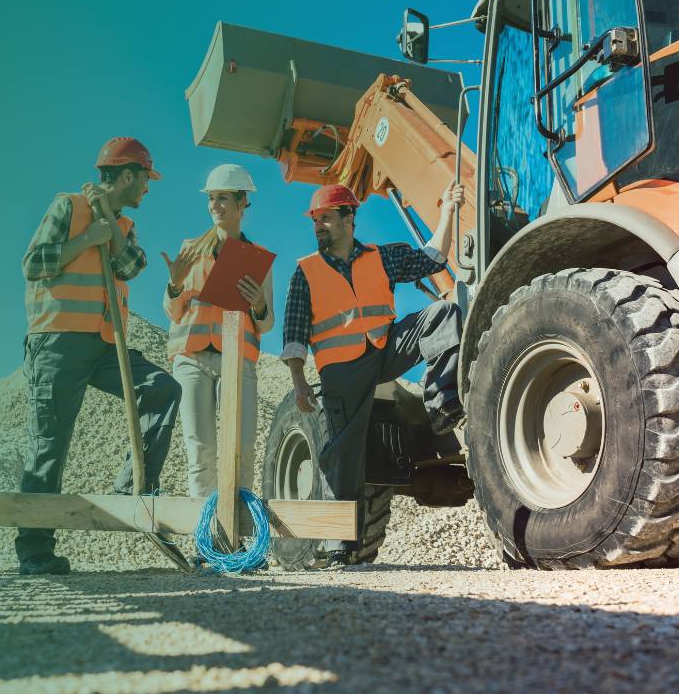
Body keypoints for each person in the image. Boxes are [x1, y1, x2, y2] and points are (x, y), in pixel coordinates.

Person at [17, 136, 182, 575]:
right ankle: (34, 550)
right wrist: (89, 236)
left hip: (107, 344)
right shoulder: (68, 207)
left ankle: (133, 488)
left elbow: (131, 267)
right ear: (128, 175)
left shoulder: (123, 225)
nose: (148, 187)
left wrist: (108, 222)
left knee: (163, 387)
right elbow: (33, 263)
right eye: (146, 178)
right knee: (49, 446)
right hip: (57, 343)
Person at [281, 181, 465, 568]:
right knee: (345, 456)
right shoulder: (306, 272)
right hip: (342, 372)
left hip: (384, 350)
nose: (318, 226)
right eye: (315, 220)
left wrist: (448, 210)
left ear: (349, 219)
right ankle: (340, 547)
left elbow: (432, 259)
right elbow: (294, 333)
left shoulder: (381, 257)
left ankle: (442, 406)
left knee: (444, 315)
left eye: (326, 218)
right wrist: (298, 380)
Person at [162, 164, 274, 499]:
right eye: (211, 198)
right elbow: (173, 310)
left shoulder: (256, 259)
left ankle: (237, 538)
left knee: (241, 450)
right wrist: (174, 284)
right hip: (192, 361)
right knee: (201, 453)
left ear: (242, 204)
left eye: (223, 198)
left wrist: (257, 305)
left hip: (236, 362)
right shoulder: (190, 250)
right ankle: (206, 542)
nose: (215, 205)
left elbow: (266, 324)